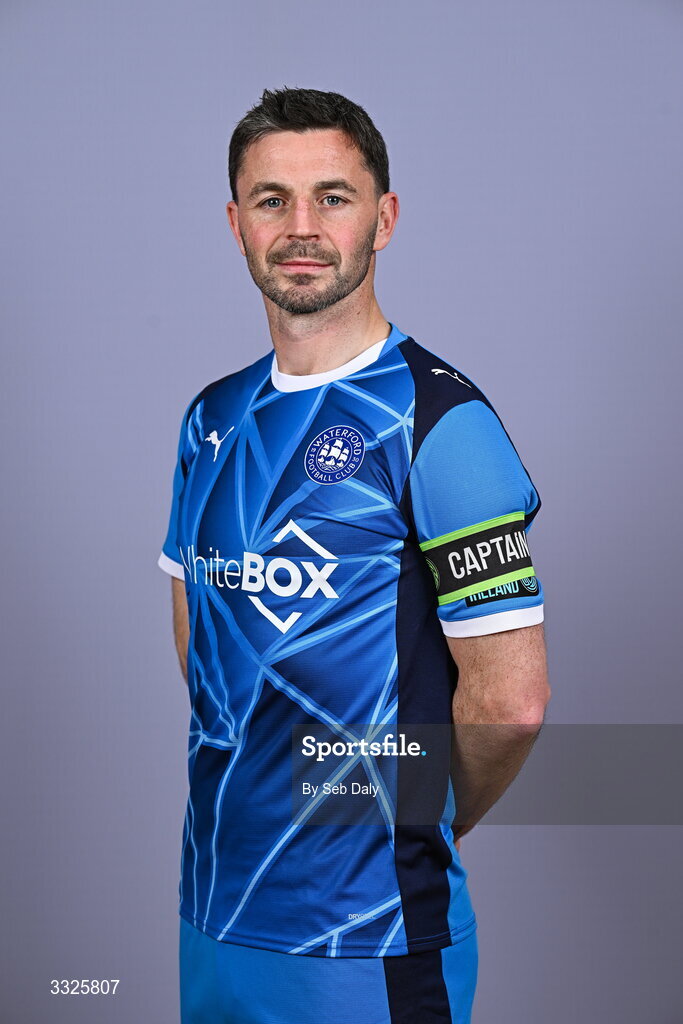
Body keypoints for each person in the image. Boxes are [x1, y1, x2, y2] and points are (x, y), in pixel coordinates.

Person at [158, 86, 550, 1024]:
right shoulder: (210, 418)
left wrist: (393, 819)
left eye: (332, 196)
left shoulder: (441, 423)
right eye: (270, 199)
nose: (301, 227)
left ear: (385, 217)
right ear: (234, 222)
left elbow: (510, 703)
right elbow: (206, 651)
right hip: (212, 920)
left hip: (362, 942)